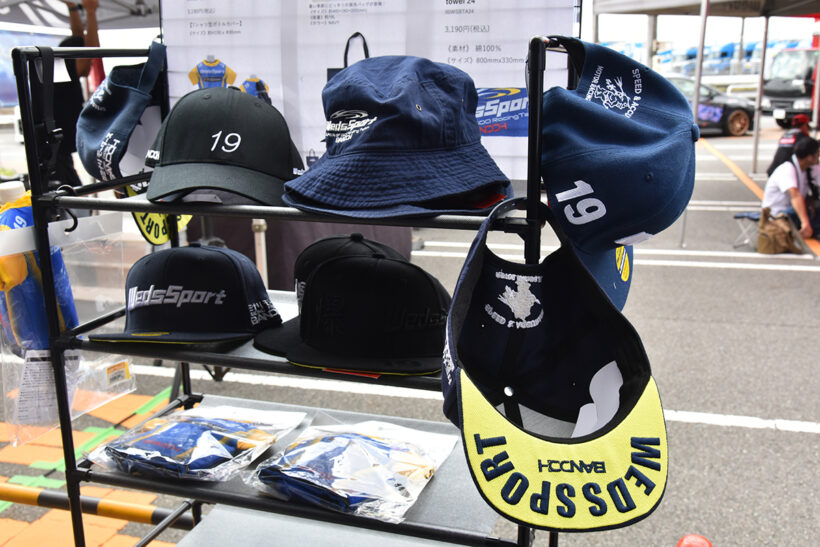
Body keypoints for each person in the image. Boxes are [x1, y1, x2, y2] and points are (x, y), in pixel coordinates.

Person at [31, 0, 99, 189]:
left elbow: (78, 39)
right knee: (68, 191)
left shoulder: (56, 64)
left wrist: (73, 9)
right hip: (50, 148)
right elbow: (89, 54)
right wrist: (90, 12)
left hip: (51, 143)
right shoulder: (64, 68)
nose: (89, 69)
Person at [761, 136, 820, 240]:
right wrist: (805, 223)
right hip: (777, 215)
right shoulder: (787, 169)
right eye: (817, 153)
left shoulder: (809, 168)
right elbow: (795, 196)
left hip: (792, 213)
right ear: (810, 157)